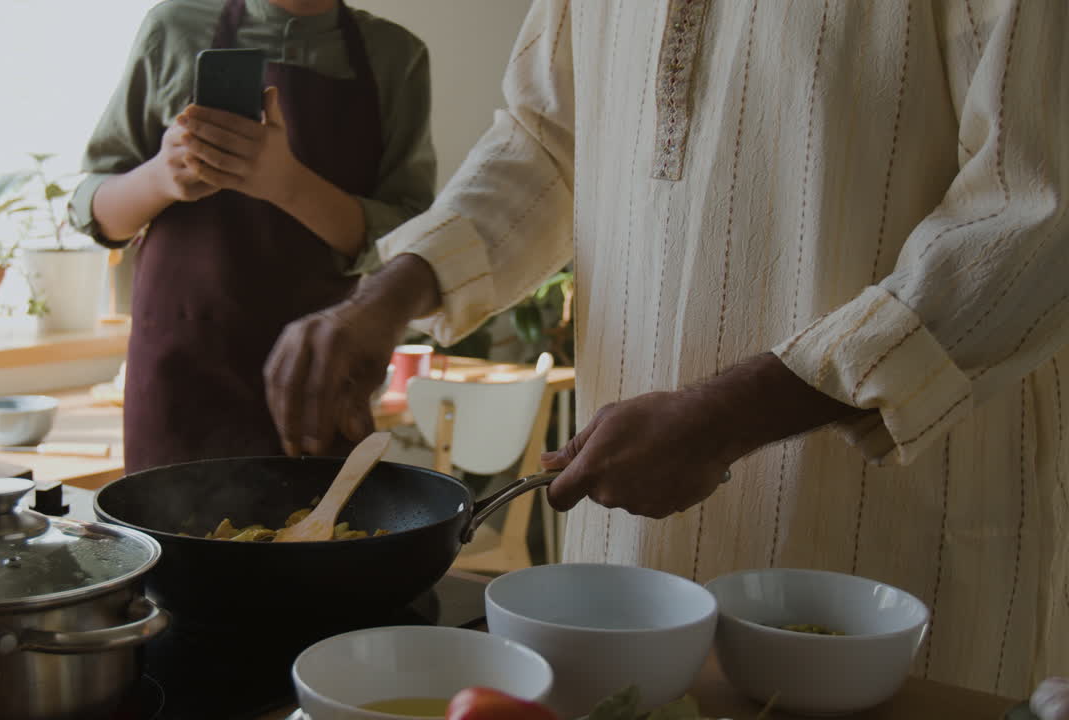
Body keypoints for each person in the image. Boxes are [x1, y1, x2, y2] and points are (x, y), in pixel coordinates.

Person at [264, 0, 1068, 703]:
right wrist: (390, 295)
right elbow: (544, 142)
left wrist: (727, 414)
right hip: (632, 532)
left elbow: (1034, 213)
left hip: (884, 529)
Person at [68, 0, 434, 472]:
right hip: (180, 380)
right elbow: (97, 211)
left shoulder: (396, 56)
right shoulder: (174, 27)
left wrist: (285, 182)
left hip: (314, 378)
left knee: (316, 534)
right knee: (175, 537)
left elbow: (412, 243)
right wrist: (161, 177)